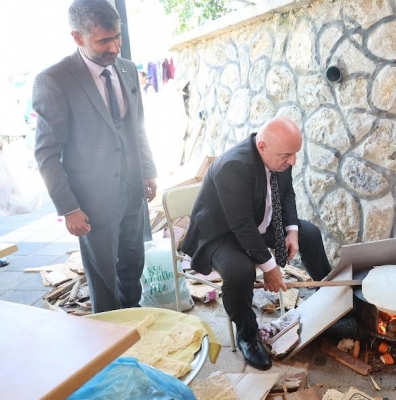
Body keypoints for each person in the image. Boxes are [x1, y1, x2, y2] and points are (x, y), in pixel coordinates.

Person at [33, 0, 157, 313]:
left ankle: (134, 320)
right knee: (104, 278)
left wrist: (148, 171)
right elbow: (47, 153)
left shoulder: (127, 69)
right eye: (104, 40)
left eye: (118, 37)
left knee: (133, 265)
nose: (115, 47)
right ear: (78, 37)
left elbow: (137, 127)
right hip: (92, 203)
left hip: (132, 192)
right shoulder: (55, 80)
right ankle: (110, 339)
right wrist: (69, 207)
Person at [181, 116, 331, 370]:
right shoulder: (233, 166)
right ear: (262, 147)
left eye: (295, 154)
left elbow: (287, 195)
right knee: (240, 271)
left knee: (310, 233)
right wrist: (270, 268)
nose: (292, 161)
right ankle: (247, 334)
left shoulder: (280, 156)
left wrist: (291, 231)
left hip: (257, 222)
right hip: (221, 233)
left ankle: (329, 297)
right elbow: (241, 225)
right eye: (287, 155)